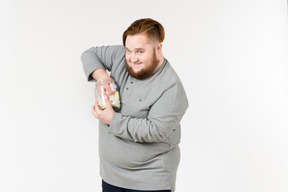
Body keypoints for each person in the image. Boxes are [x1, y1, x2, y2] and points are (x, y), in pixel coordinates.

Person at [81, 18, 188, 192]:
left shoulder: (171, 87)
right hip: (111, 175)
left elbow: (155, 130)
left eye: (139, 52)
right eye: (128, 50)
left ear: (158, 48)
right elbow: (89, 54)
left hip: (150, 181)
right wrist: (103, 77)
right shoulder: (119, 57)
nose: (132, 58)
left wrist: (112, 119)